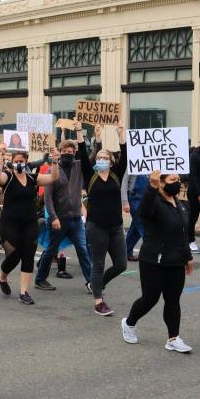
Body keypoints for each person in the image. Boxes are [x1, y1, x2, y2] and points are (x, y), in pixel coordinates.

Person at [120, 171, 194, 353]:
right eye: (172, 179)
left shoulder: (180, 204)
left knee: (173, 300)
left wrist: (188, 257)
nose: (177, 183)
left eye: (178, 179)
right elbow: (143, 211)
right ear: (161, 183)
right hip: (154, 260)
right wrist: (151, 187)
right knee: (150, 299)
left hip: (176, 260)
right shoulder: (153, 201)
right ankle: (129, 323)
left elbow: (184, 232)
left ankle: (173, 338)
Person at [0, 138, 58, 305]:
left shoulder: (32, 178)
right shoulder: (8, 177)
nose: (19, 164)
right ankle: (2, 276)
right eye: (16, 161)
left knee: (28, 255)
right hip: (10, 222)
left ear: (26, 161)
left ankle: (24, 292)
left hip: (29, 222)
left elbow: (53, 178)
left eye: (22, 161)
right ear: (12, 162)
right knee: (14, 255)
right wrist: (1, 153)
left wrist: (55, 160)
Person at [35, 133, 93, 292]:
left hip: (75, 220)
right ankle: (40, 279)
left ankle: (91, 282)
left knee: (83, 250)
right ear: (59, 152)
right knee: (51, 250)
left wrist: (95, 138)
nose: (68, 153)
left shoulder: (79, 166)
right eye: (64, 151)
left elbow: (91, 158)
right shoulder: (52, 171)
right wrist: (53, 217)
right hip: (58, 220)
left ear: (74, 152)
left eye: (71, 151)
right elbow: (47, 198)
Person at [84, 126, 128, 315]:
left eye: (105, 158)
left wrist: (121, 135)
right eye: (99, 157)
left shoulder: (116, 176)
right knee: (98, 264)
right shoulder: (90, 176)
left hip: (116, 227)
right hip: (96, 227)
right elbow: (81, 152)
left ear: (111, 162)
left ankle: (97, 285)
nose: (102, 159)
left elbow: (125, 157)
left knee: (121, 265)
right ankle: (98, 301)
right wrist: (95, 137)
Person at [121, 170, 149, 261]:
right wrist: (125, 202)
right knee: (144, 227)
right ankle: (150, 253)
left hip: (146, 199)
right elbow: (124, 183)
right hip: (134, 199)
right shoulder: (132, 163)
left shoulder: (149, 163)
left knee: (135, 229)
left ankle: (126, 252)